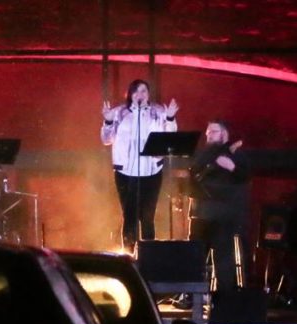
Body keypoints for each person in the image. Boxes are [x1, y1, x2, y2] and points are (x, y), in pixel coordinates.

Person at [101, 79, 180, 252]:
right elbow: (106, 139)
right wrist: (107, 121)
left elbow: (170, 135)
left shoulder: (158, 111)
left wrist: (170, 117)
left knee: (147, 217)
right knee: (129, 216)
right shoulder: (119, 112)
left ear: (148, 94)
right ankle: (129, 255)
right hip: (125, 172)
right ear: (130, 94)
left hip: (151, 171)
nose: (140, 95)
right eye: (136, 91)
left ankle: (148, 255)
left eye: (143, 91)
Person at [188, 120, 250, 292]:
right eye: (208, 132)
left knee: (223, 259)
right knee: (195, 256)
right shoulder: (203, 154)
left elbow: (244, 177)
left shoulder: (236, 155)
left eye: (213, 131)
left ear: (224, 134)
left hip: (223, 216)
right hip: (201, 214)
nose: (208, 135)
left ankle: (224, 297)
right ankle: (192, 295)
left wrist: (231, 167)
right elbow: (192, 177)